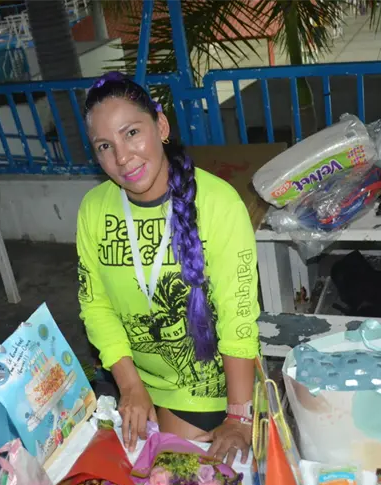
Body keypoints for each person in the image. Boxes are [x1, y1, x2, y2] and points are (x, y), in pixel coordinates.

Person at [76, 72, 260, 464]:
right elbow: (96, 306)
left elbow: (237, 316)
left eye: (131, 133)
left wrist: (239, 416)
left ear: (160, 125)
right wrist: (130, 385)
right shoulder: (94, 209)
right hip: (129, 378)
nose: (122, 158)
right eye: (105, 146)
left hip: (202, 387)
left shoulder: (219, 203)